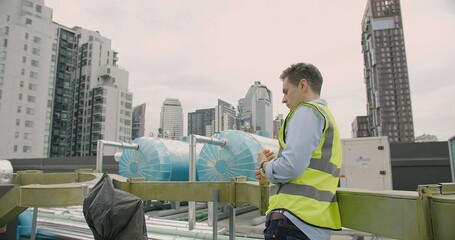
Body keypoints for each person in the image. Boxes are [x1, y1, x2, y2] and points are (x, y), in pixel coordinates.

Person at [256, 62, 342, 240]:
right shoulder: (326, 116)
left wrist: (265, 165)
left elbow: (291, 167)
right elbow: (307, 170)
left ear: (303, 85)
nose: (283, 99)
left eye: (286, 91)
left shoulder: (306, 111)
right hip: (312, 222)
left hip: (292, 220)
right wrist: (270, 175)